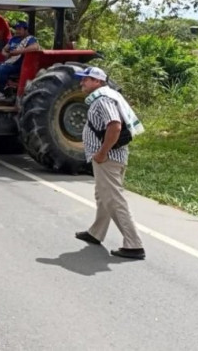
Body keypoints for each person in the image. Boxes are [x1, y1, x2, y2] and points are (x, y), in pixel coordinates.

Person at [74, 66, 146, 260]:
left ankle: (134, 245)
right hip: (113, 156)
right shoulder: (108, 96)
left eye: (86, 79)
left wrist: (101, 153)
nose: (82, 82)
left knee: (113, 198)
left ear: (98, 82)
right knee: (103, 195)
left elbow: (114, 125)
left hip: (107, 158)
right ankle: (96, 232)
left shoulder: (102, 99)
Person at [0, 21, 40, 101]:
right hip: (9, 63)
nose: (17, 31)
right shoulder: (14, 39)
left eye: (19, 29)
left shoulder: (30, 39)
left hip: (20, 65)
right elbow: (4, 49)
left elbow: (35, 47)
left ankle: (1, 93)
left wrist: (18, 52)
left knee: (2, 68)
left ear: (26, 30)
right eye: (16, 29)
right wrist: (5, 54)